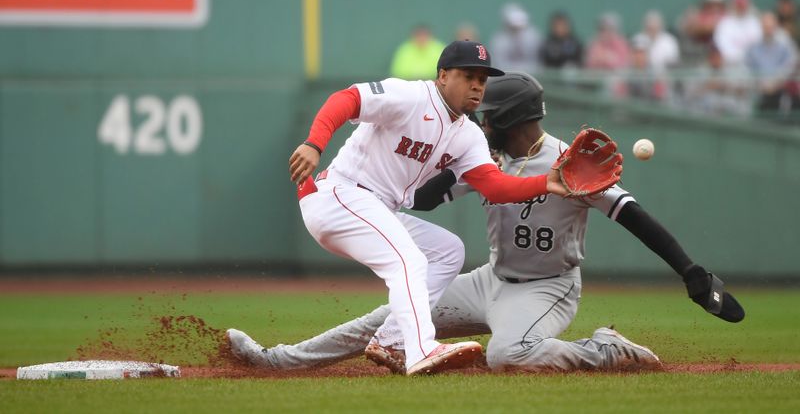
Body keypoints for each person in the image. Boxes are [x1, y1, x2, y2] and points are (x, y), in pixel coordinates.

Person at [227, 73, 744, 374]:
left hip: (547, 288)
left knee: (506, 355)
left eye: (489, 117)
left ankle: (601, 348)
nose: (480, 122)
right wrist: (427, 160)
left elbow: (636, 218)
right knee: (393, 314)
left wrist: (690, 270)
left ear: (513, 122)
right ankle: (279, 360)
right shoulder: (483, 160)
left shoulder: (573, 164)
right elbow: (429, 200)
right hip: (489, 280)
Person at [251, 43, 575, 376]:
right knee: (409, 260)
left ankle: (391, 340)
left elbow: (494, 185)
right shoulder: (408, 97)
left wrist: (545, 183)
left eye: (482, 79)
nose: (477, 85)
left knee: (448, 251)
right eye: (468, 76)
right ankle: (420, 348)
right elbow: (347, 99)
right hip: (339, 196)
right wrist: (314, 143)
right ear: (443, 75)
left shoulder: (468, 135)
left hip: (376, 208)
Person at [745, 12, 796, 115]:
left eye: (771, 27)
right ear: (761, 27)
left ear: (776, 27)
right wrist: (761, 84)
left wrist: (775, 83)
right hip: (759, 90)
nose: (768, 30)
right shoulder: (753, 47)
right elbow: (748, 67)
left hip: (780, 89)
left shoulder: (784, 45)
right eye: (765, 27)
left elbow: (789, 66)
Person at [713, 0, 762, 67]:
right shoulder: (725, 23)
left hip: (752, 65)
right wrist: (735, 57)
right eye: (738, 5)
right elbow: (721, 45)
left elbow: (758, 43)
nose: (741, 8)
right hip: (729, 64)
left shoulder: (754, 23)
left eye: (743, 5)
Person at [489, 3, 541, 73]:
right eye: (513, 27)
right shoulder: (499, 41)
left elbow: (536, 62)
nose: (517, 30)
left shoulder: (533, 37)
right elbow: (499, 64)